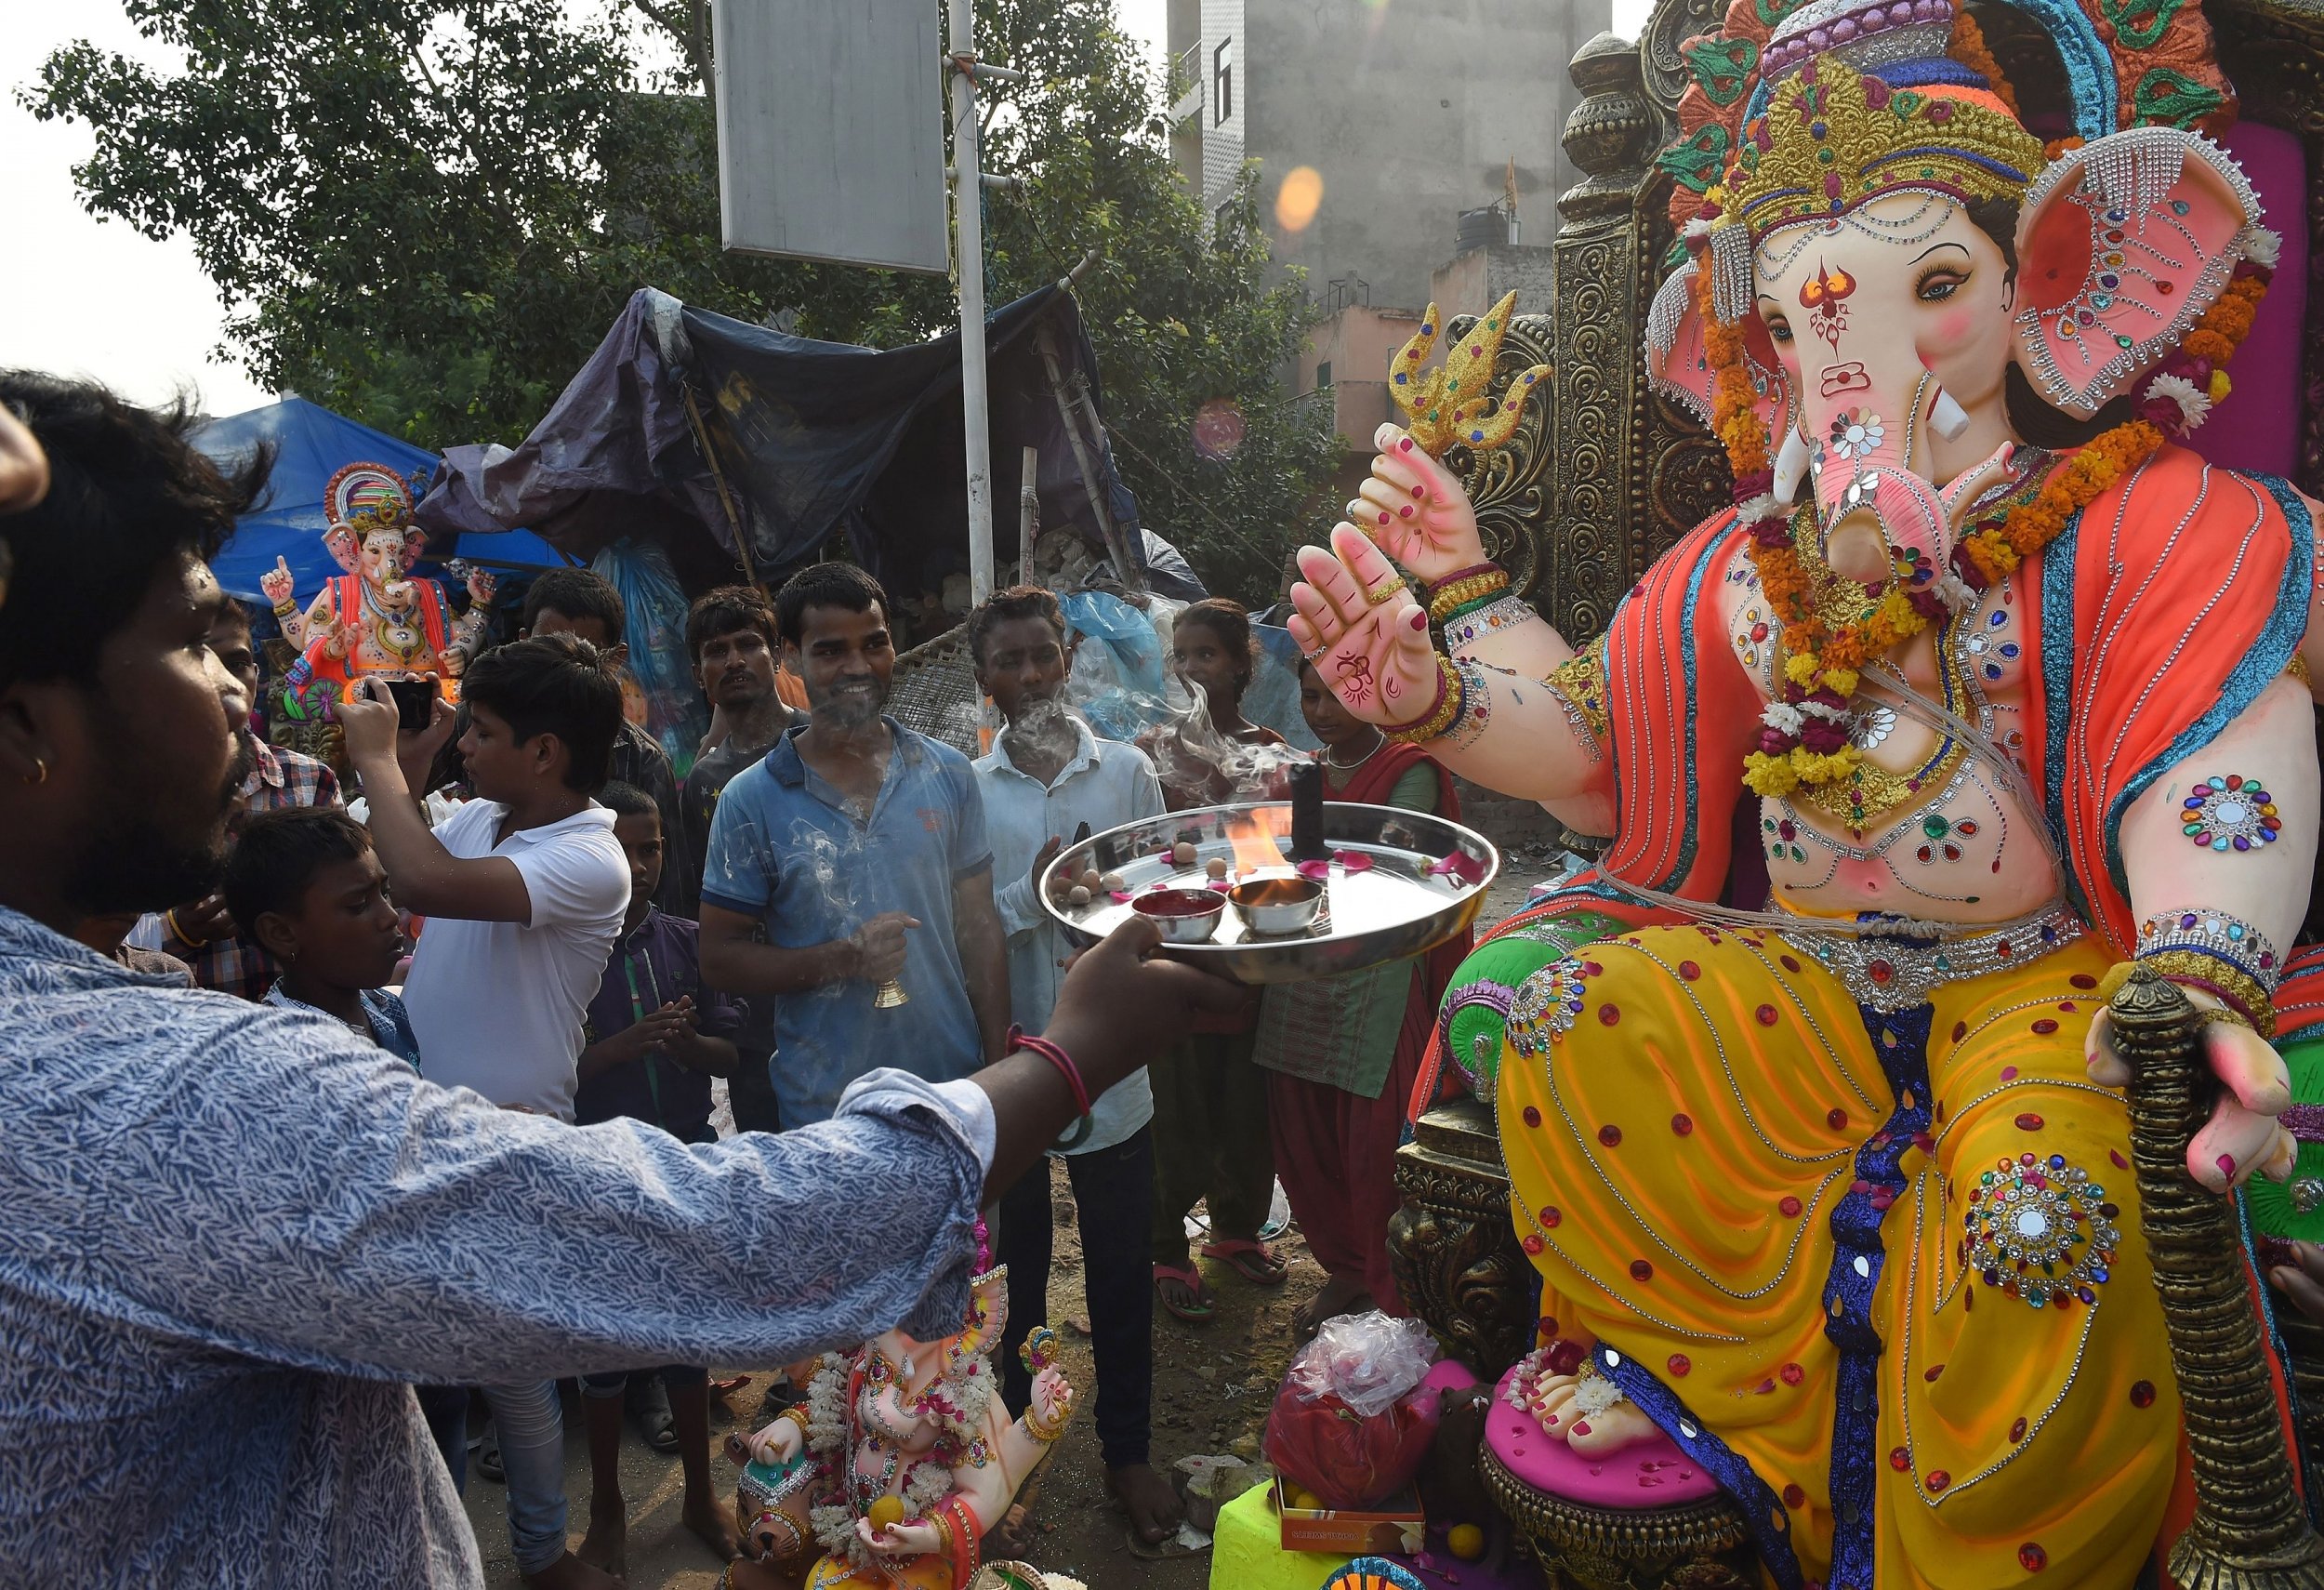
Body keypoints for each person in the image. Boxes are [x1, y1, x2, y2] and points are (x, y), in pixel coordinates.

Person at [0, 371, 1235, 1586]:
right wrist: (1063, 1058)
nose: (233, 687)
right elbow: (698, 1244)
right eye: (188, 638)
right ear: (22, 729)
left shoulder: (99, 1025)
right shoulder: (152, 1101)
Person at [352, 630, 634, 1589]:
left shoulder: (589, 859)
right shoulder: (486, 817)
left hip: (509, 1140)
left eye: (484, 731)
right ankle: (445, 1557)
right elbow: (380, 840)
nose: (467, 746)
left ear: (545, 754)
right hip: (422, 1129)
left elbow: (418, 879)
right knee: (432, 1375)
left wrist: (376, 757)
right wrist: (417, 758)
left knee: (512, 1373)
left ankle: (540, 1552)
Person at [966, 586, 1181, 1545]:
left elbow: (1168, 899)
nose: (1027, 677)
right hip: (1015, 1067)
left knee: (1120, 1271)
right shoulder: (969, 790)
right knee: (1013, 1276)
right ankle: (1006, 1460)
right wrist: (1039, 891)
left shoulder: (1126, 770)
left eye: (1041, 657)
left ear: (1068, 658)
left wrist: (1108, 902)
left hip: (1115, 1070)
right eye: (1007, 663)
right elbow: (970, 924)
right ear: (986, 679)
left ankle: (1125, 1452)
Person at [697, 563, 1010, 1127]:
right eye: (831, 651)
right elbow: (719, 959)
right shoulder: (748, 800)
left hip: (951, 1088)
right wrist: (844, 960)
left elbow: (980, 927)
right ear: (791, 657)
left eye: (875, 644)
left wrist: (998, 1071)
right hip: (827, 1107)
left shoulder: (948, 772)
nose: (858, 667)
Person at [218, 803, 472, 1479]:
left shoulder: (386, 1011)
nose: (391, 916)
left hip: (426, 1313)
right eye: (360, 904)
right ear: (282, 933)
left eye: (384, 890)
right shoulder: (282, 1057)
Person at [1256, 660, 1470, 1336]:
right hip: (1305, 971)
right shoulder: (1303, 772)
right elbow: (1284, 861)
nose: (1319, 711)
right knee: (1305, 1129)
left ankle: (1388, 1284)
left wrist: (1298, 850)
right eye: (1308, 695)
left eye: (1336, 696)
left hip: (1377, 976)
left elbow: (1389, 861)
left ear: (1374, 695)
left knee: (1374, 1141)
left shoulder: (1413, 769)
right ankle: (1346, 1270)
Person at [569, 782, 743, 1573]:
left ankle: (700, 1495)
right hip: (597, 1171)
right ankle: (606, 1506)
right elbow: (542, 1077)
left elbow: (732, 1052)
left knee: (687, 1340)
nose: (639, 867)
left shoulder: (688, 940)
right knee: (605, 1351)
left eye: (652, 849)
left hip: (683, 1160)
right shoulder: (564, 952)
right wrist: (620, 1047)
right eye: (622, 849)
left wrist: (686, 1047)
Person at [1139, 598, 1286, 1322]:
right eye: (1184, 657)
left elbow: (1282, 861)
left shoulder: (1273, 752)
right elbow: (1145, 855)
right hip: (1178, 958)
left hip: (1248, 956)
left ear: (1239, 664)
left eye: (1209, 655)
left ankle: (1235, 1232)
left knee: (1247, 1109)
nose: (1195, 668)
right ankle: (1164, 1244)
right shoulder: (1155, 750)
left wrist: (1242, 817)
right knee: (1175, 1111)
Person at [144, 597, 341, 997]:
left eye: (236, 663)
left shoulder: (309, 781)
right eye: (198, 660)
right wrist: (179, 929)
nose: (225, 682)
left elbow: (347, 908)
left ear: (255, 673)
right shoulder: (128, 787)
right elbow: (90, 941)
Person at [680, 585, 799, 1135]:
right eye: (715, 650)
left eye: (747, 644)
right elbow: (697, 904)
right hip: (755, 1020)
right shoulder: (704, 781)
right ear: (699, 670)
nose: (732, 661)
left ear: (776, 655)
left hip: (836, 1001)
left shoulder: (821, 743)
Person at [523, 566, 693, 916]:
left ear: (615, 661)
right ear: (523, 642)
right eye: (548, 648)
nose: (561, 670)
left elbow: (668, 891)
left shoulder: (642, 758)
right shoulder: (477, 729)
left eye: (583, 657)